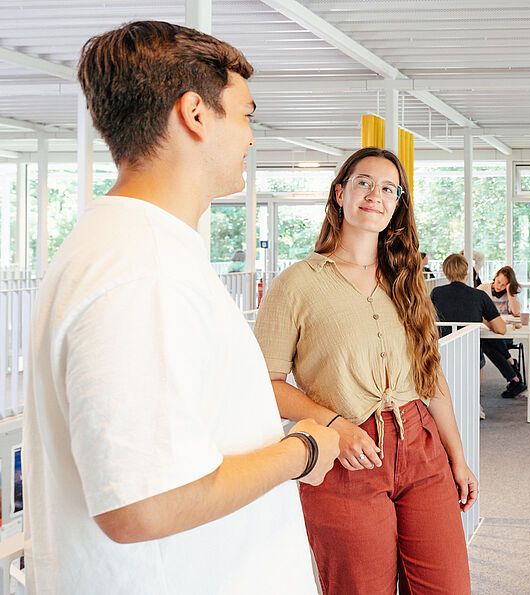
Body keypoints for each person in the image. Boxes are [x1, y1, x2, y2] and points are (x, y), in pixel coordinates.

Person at [23, 21, 339, 595]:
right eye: (245, 115)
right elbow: (143, 504)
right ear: (195, 113)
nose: (250, 136)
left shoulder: (133, 248)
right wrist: (304, 447)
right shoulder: (142, 269)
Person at [253, 147, 476, 594]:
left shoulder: (407, 281)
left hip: (422, 449)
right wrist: (335, 423)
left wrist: (458, 458)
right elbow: (265, 385)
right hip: (345, 455)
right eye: (364, 183)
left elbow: (431, 381)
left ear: (397, 206)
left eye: (389, 189)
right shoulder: (297, 283)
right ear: (340, 192)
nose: (377, 195)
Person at [431, 254, 508, 419]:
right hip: (470, 354)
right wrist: (484, 318)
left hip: (441, 352)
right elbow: (501, 329)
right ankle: (472, 401)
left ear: (446, 273)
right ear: (467, 272)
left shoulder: (436, 293)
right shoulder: (479, 296)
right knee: (476, 355)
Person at [477, 266, 527, 398]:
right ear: (495, 276)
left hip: (504, 334)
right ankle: (511, 367)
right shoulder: (483, 288)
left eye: (504, 284)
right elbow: (475, 307)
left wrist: (510, 292)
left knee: (488, 344)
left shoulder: (509, 292)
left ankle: (513, 377)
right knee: (487, 342)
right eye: (499, 282)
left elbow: (516, 312)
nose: (500, 286)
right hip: (488, 330)